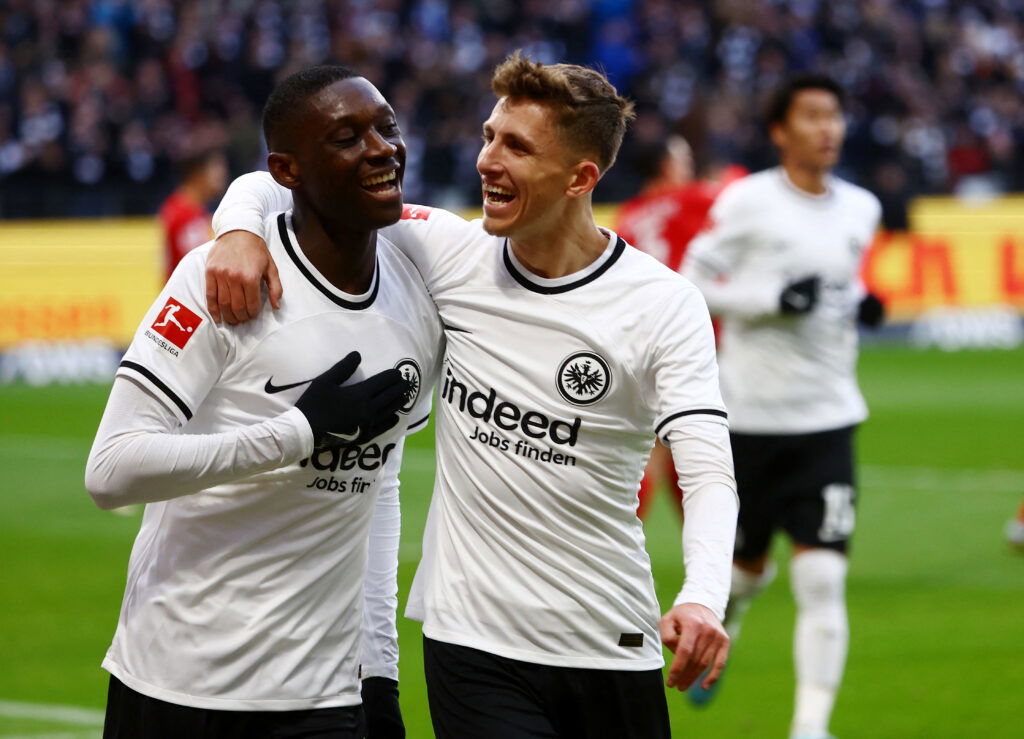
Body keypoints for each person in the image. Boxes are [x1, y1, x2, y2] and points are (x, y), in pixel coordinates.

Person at [207, 52, 739, 738]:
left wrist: (701, 596)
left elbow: (706, 470)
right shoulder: (448, 250)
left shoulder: (664, 305)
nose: (488, 160)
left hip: (611, 635)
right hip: (473, 644)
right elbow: (281, 182)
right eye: (490, 135)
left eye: (516, 146)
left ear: (581, 177)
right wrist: (241, 230)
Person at [85, 65, 443, 738]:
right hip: (178, 678)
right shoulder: (221, 279)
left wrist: (380, 674)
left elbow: (378, 483)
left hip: (325, 694)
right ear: (288, 169)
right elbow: (110, 471)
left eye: (387, 128)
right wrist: (299, 432)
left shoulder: (420, 284)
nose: (382, 148)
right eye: (347, 136)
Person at [680, 73, 885, 739]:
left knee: (823, 578)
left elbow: (839, 282)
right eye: (813, 116)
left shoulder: (861, 207)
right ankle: (731, 617)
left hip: (827, 419)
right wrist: (769, 300)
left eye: (835, 116)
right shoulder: (748, 202)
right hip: (748, 421)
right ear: (780, 131)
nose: (828, 128)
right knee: (742, 576)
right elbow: (692, 277)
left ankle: (809, 725)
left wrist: (863, 301)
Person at [615, 135, 739, 520]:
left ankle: (615, 549)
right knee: (695, 455)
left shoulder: (628, 215)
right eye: (683, 158)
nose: (689, 166)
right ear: (667, 166)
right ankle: (715, 562)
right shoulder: (692, 198)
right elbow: (740, 198)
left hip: (637, 341)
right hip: (689, 339)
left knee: (647, 449)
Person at [158, 148, 228, 281]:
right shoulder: (185, 213)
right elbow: (199, 267)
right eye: (216, 168)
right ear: (198, 173)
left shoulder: (187, 208)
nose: (222, 174)